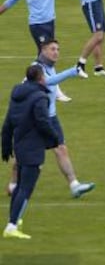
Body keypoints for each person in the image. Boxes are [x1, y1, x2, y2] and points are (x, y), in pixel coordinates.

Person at [6, 39, 95, 198]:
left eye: (58, 49)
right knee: (23, 155)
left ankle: (74, 185)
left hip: (50, 117)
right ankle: (13, 185)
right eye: (52, 49)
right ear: (43, 50)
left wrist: (61, 96)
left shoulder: (50, 67)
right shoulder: (36, 68)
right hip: (32, 119)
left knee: (61, 149)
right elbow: (45, 82)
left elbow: (53, 87)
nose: (56, 52)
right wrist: (72, 72)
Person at [0, 0, 90, 101]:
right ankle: (55, 91)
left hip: (50, 23)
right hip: (37, 25)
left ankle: (28, 82)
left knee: (43, 57)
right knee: (48, 55)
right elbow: (11, 1)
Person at [2, 65, 60, 239]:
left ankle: (14, 219)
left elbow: (8, 122)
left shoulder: (17, 96)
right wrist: (54, 138)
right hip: (33, 148)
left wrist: (5, 145)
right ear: (40, 78)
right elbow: (43, 121)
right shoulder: (40, 97)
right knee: (26, 188)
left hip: (20, 146)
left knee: (20, 186)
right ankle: (11, 226)